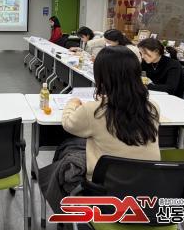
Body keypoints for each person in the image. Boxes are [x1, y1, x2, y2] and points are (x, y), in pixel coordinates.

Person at [62, 46, 161, 181]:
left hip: (106, 184)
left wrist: (72, 103)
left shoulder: (94, 110)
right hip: (147, 183)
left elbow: (68, 124)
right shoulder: (152, 107)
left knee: (68, 151)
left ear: (101, 76)